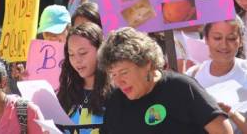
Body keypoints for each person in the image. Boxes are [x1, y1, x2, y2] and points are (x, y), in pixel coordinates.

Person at [98, 27, 233, 134]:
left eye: (124, 72)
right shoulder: (116, 100)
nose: (118, 81)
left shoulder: (181, 88)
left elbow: (222, 130)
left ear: (147, 64)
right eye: (113, 74)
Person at [186, 18, 247, 133]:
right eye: (217, 38)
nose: (224, 45)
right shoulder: (192, 76)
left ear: (240, 41)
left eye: (231, 38)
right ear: (206, 39)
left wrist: (232, 114)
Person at [57, 22, 110, 133]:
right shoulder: (66, 91)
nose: (77, 60)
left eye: (83, 53)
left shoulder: (116, 93)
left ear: (100, 50)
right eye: (71, 54)